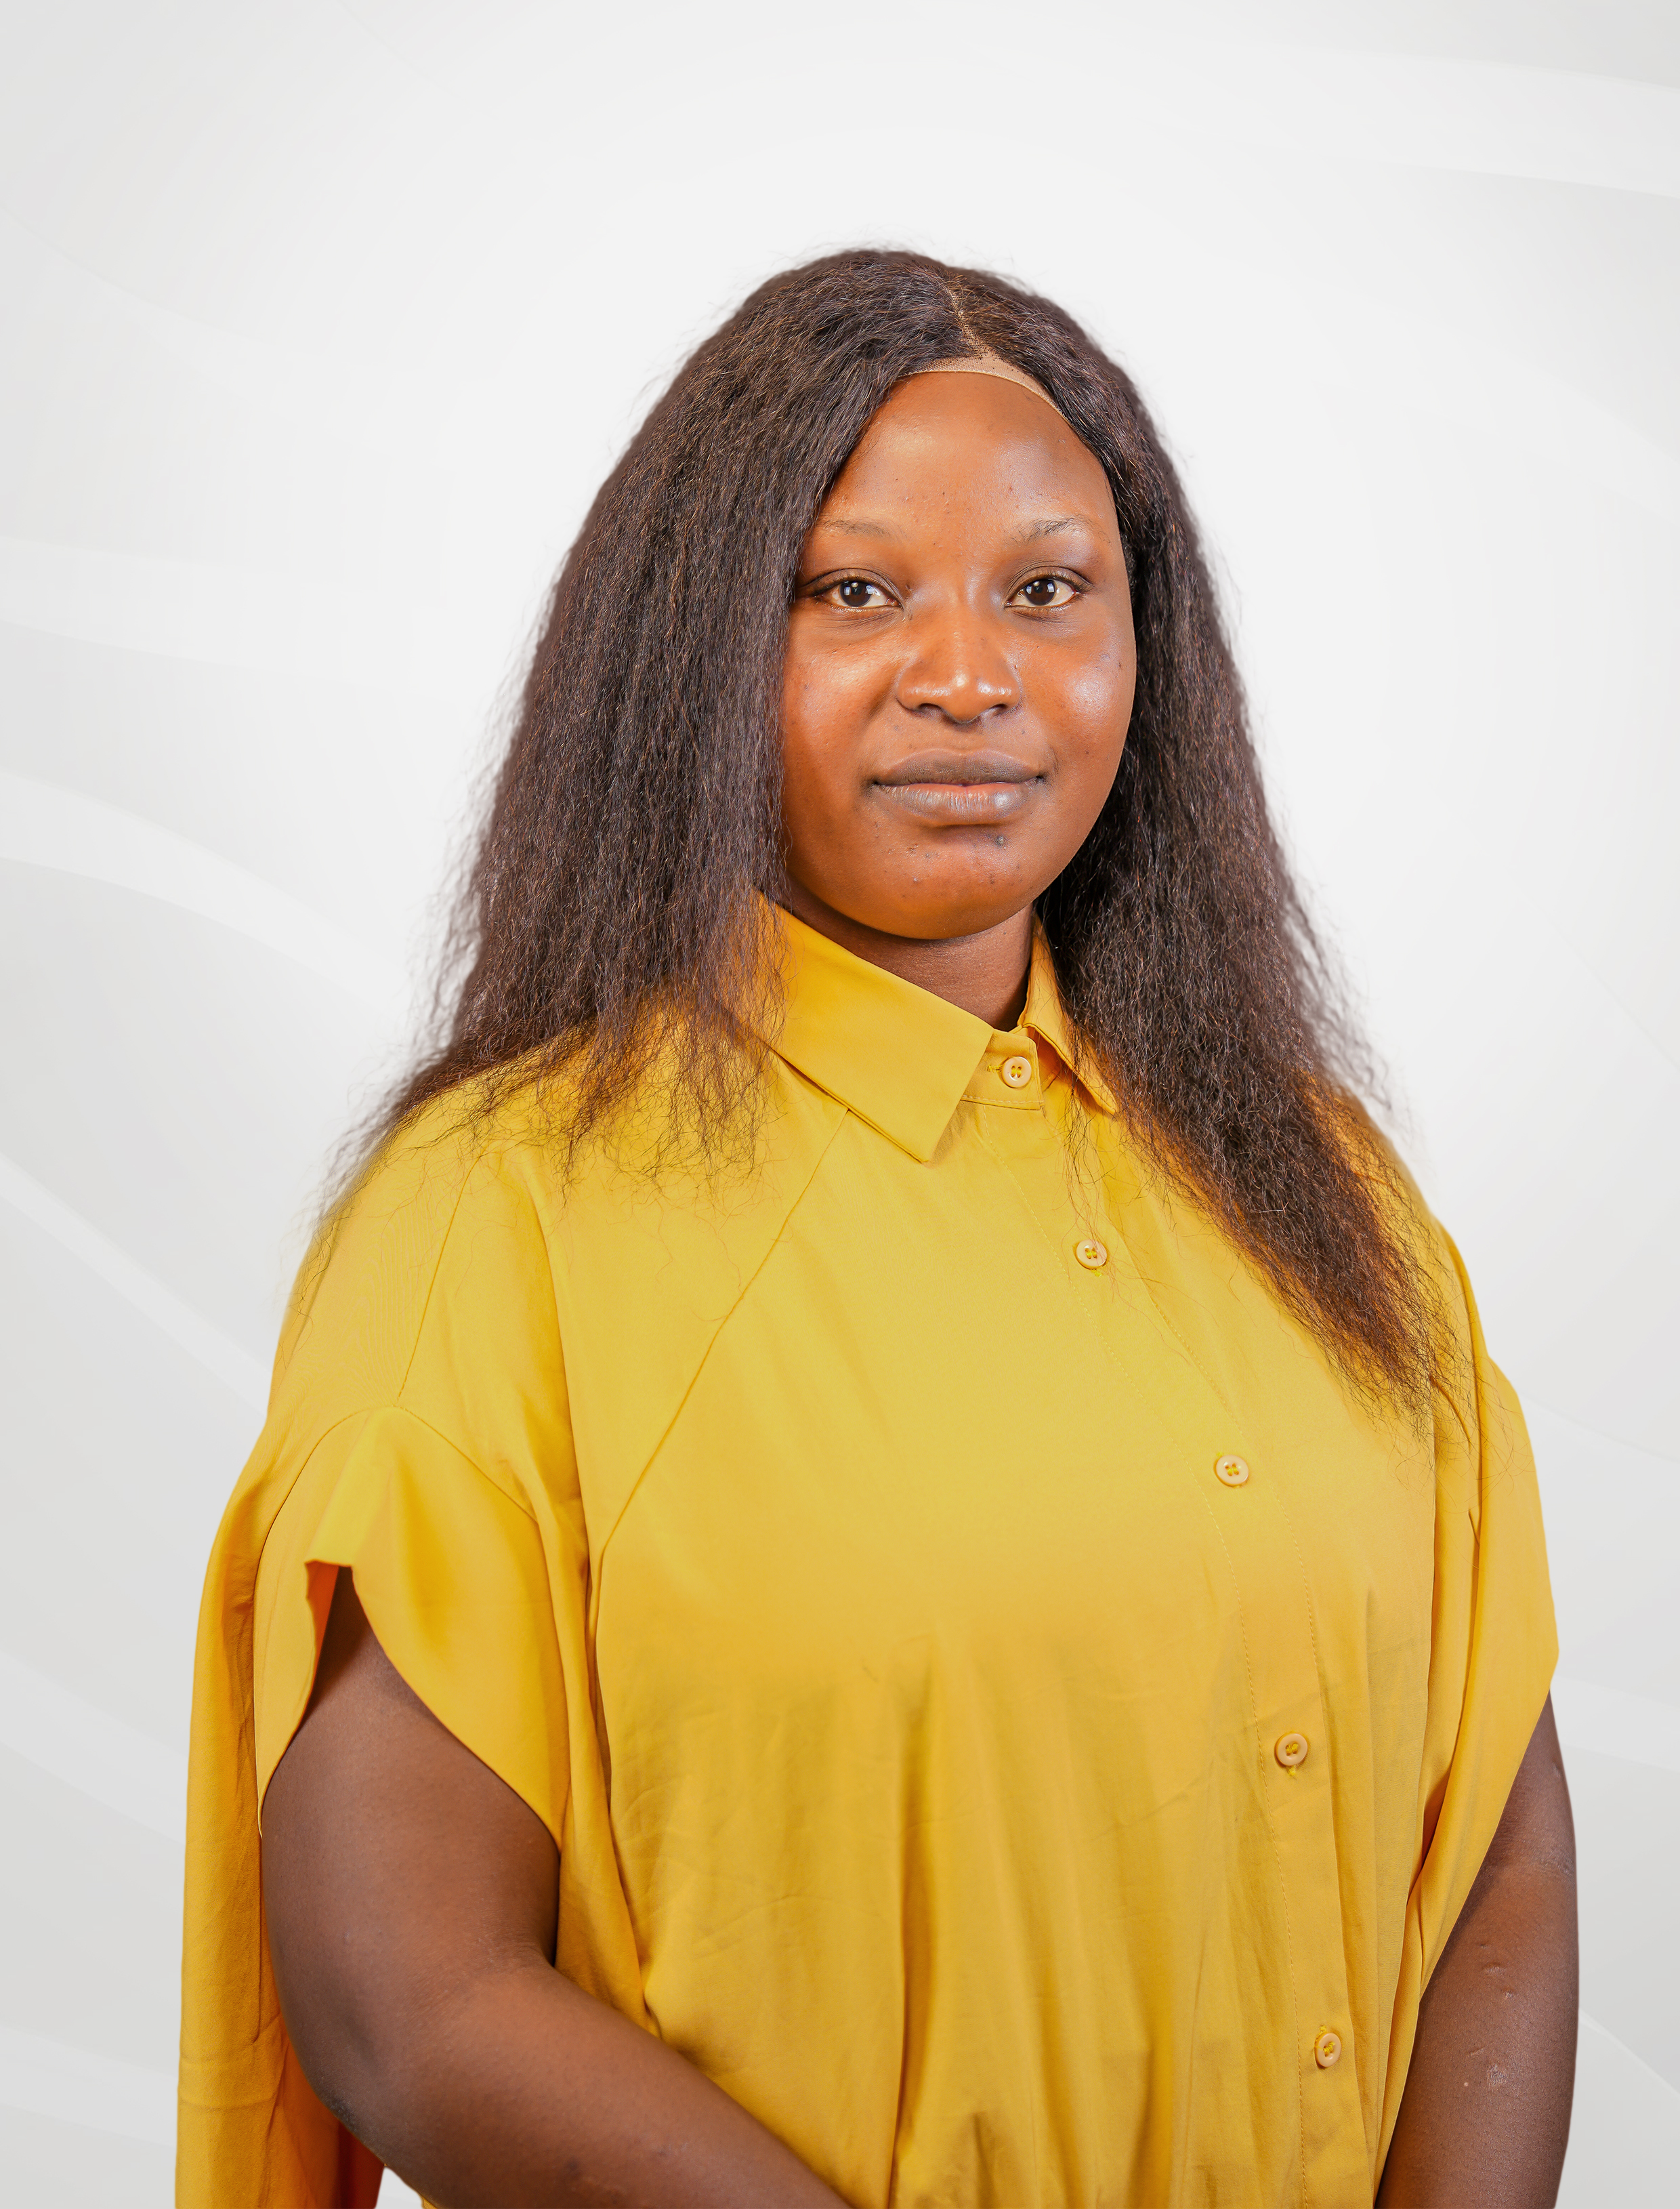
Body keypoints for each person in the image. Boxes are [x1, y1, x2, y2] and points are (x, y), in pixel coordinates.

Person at [178, 251, 1576, 2208]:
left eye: (1048, 590)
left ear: (1144, 646)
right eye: (855, 592)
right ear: (693, 648)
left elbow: (1496, 1828)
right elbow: (406, 1993)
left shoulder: (1322, 1192)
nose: (970, 676)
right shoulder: (497, 1222)